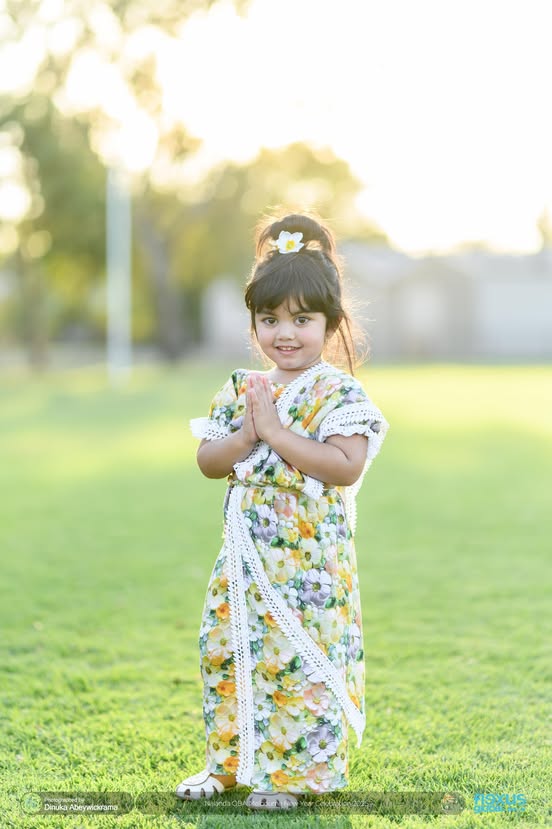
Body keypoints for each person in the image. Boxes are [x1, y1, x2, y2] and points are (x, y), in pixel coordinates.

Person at [176, 212, 389, 811]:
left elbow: (343, 465)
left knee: (299, 662)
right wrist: (246, 435)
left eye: (302, 320)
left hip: (308, 561)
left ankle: (295, 775)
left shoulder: (339, 393)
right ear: (253, 325)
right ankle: (229, 763)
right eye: (269, 320)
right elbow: (208, 460)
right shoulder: (244, 387)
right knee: (227, 648)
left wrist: (275, 431)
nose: (284, 334)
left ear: (331, 323)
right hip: (243, 556)